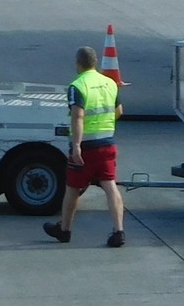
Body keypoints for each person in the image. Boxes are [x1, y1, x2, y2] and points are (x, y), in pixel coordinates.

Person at [44, 45, 127, 247]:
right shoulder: (110, 83)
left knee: (73, 187)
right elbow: (119, 111)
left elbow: (78, 116)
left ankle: (64, 230)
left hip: (87, 146)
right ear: (95, 62)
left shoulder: (77, 86)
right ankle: (118, 231)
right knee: (110, 185)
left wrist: (77, 145)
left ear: (78, 63)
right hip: (107, 143)